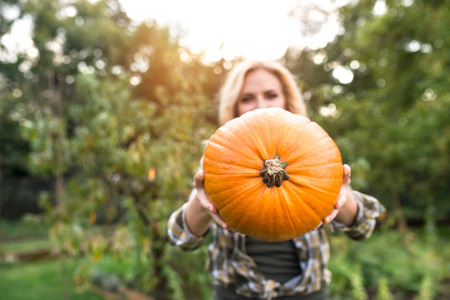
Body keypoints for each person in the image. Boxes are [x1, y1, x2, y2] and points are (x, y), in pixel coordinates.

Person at [168, 59, 385, 300]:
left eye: (271, 95)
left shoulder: (311, 148)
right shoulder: (219, 157)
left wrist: (339, 197)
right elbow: (181, 239)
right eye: (247, 98)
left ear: (287, 101)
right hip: (236, 295)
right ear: (235, 106)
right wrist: (203, 202)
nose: (260, 104)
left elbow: (365, 227)